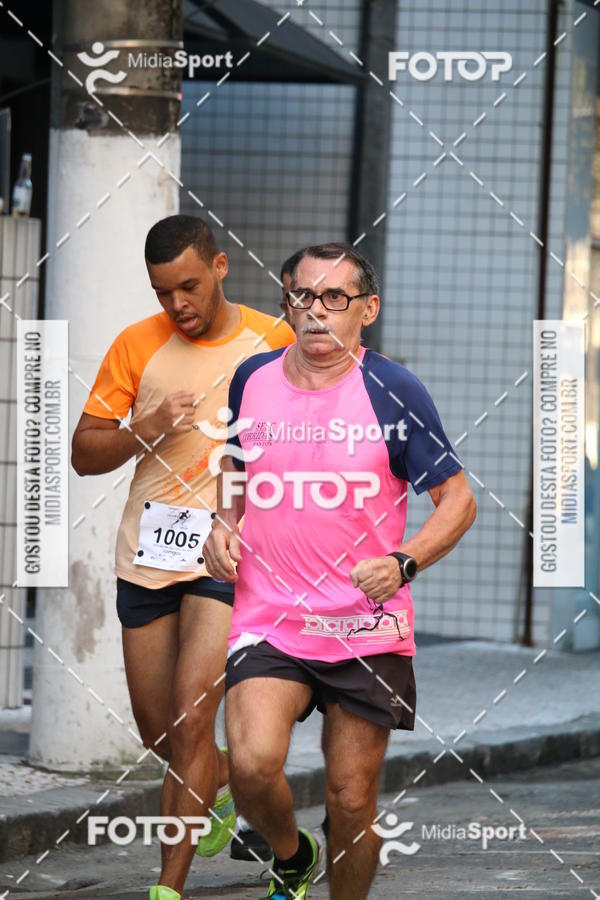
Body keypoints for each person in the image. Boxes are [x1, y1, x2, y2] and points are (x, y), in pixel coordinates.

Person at [203, 242, 477, 900]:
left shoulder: (396, 391)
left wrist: (405, 560)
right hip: (269, 615)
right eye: (303, 296)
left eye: (336, 299)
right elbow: (236, 469)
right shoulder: (253, 379)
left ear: (368, 310)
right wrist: (223, 523)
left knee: (351, 799)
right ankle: (294, 856)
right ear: (285, 305)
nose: (317, 312)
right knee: (250, 763)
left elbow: (459, 500)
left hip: (364, 624)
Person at [71, 215, 295, 900]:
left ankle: (168, 886)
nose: (179, 305)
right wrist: (146, 426)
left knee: (194, 717)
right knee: (158, 729)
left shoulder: (272, 342)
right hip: (147, 550)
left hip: (226, 554)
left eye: (189, 287)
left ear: (221, 266)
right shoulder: (136, 346)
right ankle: (216, 781)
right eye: (164, 292)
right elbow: (83, 454)